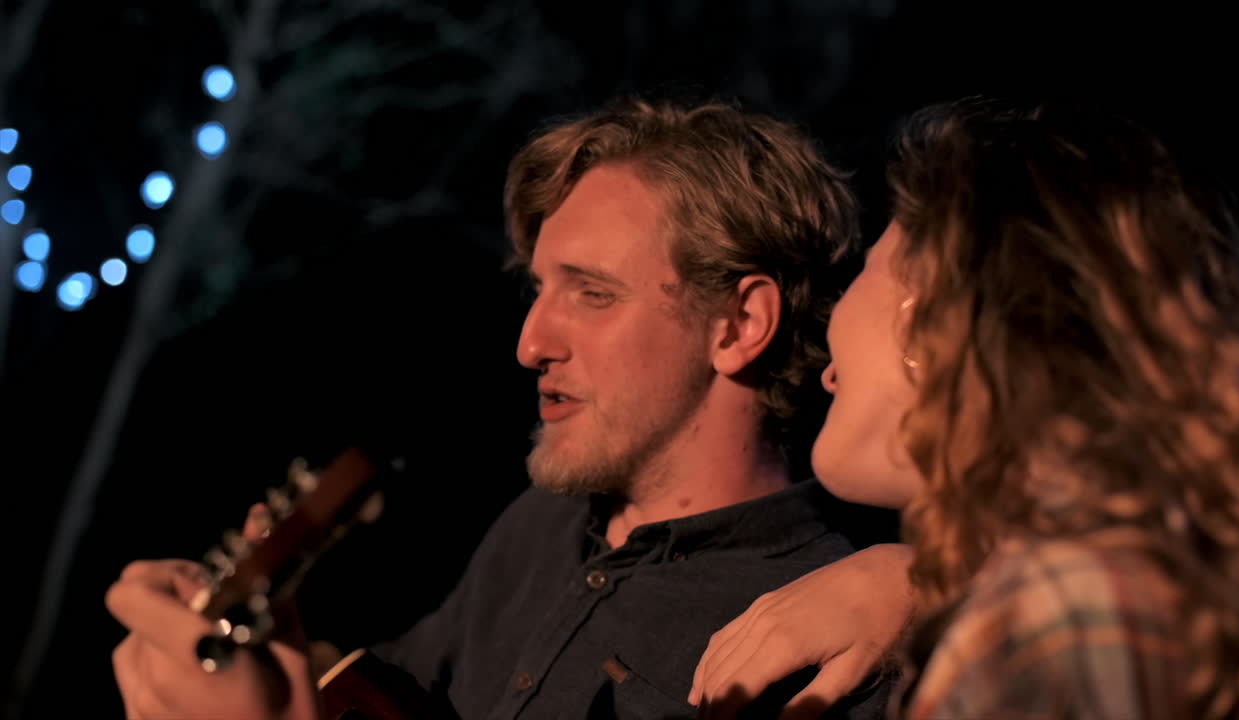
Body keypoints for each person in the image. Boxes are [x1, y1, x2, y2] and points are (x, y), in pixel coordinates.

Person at [105, 96, 914, 720]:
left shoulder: (826, 637)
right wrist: (276, 666)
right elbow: (393, 699)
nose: (531, 344)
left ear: (739, 325)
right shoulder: (542, 526)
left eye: (593, 294)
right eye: (539, 290)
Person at [690, 96, 1239, 719]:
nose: (829, 374)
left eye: (869, 268)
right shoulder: (1128, 585)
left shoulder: (1051, 626)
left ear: (929, 326)